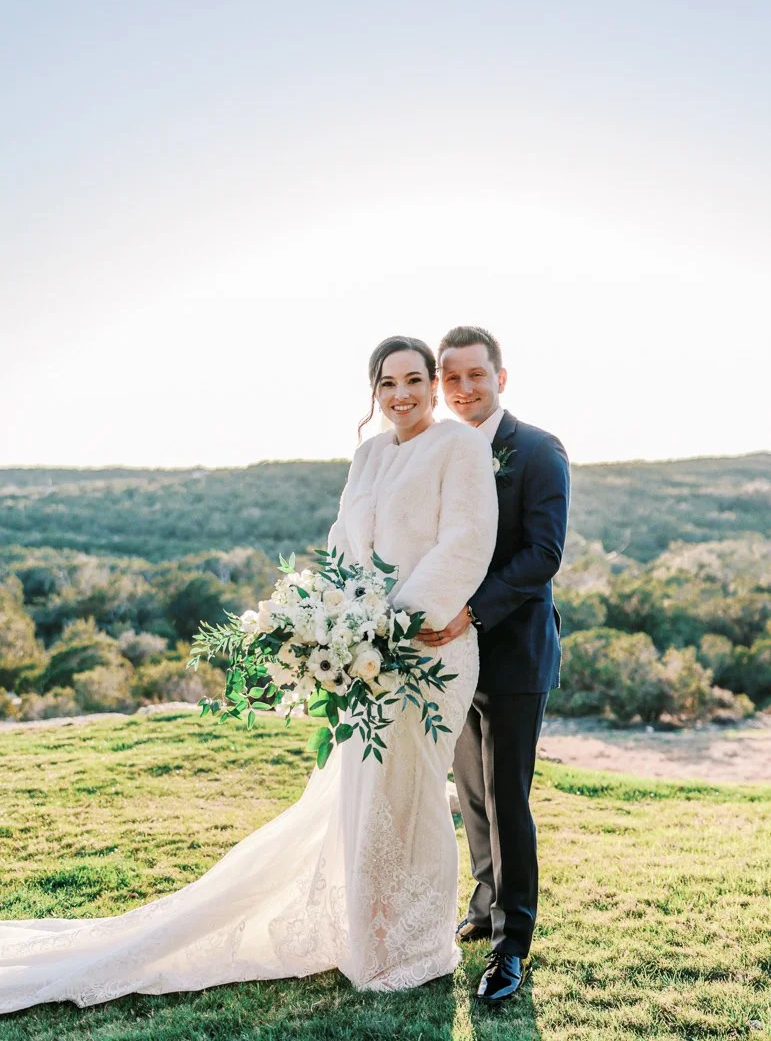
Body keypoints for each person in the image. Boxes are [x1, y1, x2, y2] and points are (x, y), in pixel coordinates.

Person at [0, 336, 497, 1013]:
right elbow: (342, 543)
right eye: (388, 383)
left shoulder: (458, 446)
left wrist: (396, 624)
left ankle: (413, 946)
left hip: (427, 651)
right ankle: (370, 934)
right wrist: (334, 616)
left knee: (409, 792)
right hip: (363, 653)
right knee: (366, 794)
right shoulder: (368, 455)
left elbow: (464, 541)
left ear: (434, 386)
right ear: (374, 392)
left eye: (414, 380)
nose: (402, 394)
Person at [419, 325, 570, 1004]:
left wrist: (470, 614)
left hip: (512, 652)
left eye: (475, 374)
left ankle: (512, 945)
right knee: (472, 795)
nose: (463, 388)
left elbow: (543, 554)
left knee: (507, 799)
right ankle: (484, 907)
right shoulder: (438, 451)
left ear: (500, 378)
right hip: (450, 659)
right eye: (451, 377)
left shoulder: (537, 449)